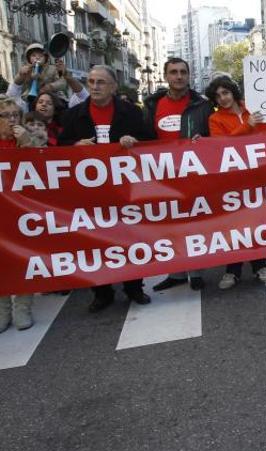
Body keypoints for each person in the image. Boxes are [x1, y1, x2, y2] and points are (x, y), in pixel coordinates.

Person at [57, 65, 152, 312]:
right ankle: (101, 292)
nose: (95, 86)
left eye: (101, 82)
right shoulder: (73, 114)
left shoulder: (130, 112)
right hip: (89, 192)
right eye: (91, 81)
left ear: (113, 86)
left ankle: (134, 287)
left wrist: (134, 142)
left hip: (124, 189)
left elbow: (150, 140)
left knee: (130, 237)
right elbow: (59, 147)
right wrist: (75, 145)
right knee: (95, 241)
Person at [143, 57, 215, 291]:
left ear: (189, 75)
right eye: (173, 72)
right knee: (169, 225)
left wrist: (203, 142)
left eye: (183, 71)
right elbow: (144, 136)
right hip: (162, 175)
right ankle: (176, 273)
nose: (179, 76)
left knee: (194, 223)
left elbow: (213, 138)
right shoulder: (152, 105)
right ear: (166, 76)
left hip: (193, 174)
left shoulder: (201, 105)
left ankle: (195, 271)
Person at [204, 76, 266, 289]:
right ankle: (232, 270)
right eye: (217, 96)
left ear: (233, 92)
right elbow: (221, 145)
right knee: (234, 224)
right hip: (233, 179)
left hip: (257, 176)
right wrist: (247, 126)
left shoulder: (254, 108)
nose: (222, 99)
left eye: (225, 93)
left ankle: (259, 266)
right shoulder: (215, 119)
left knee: (257, 221)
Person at [0, 97, 39, 330]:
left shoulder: (26, 138)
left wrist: (27, 144)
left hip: (21, 210)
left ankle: (22, 307)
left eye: (16, 115)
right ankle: (2, 309)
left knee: (24, 258)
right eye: (7, 116)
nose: (13, 120)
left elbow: (43, 167)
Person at [6, 45, 86, 113]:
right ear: (29, 58)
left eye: (40, 56)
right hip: (31, 99)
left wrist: (51, 86)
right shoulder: (26, 70)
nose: (37, 58)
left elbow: (62, 82)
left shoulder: (53, 68)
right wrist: (21, 75)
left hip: (53, 98)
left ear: (46, 58)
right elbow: (16, 86)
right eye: (33, 55)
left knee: (62, 107)